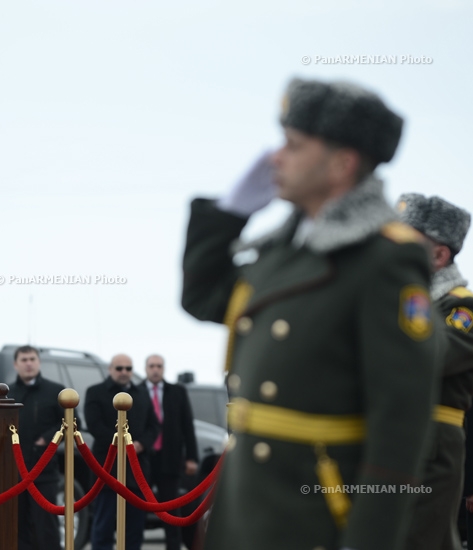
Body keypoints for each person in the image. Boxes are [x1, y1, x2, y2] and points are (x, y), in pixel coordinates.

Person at [181, 78, 439, 550]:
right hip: (248, 508)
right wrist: (227, 214)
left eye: (294, 146)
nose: (276, 157)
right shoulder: (284, 249)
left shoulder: (385, 259)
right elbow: (202, 298)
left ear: (342, 164)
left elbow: (400, 425)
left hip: (315, 517)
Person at [397, 194, 473, 550]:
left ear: (439, 255)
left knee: (420, 540)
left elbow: (434, 355)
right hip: (397, 436)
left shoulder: (461, 306)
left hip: (433, 444)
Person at [84, 354, 159, 550]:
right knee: (104, 525)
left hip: (137, 469)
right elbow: (94, 425)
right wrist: (121, 444)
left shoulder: (142, 393)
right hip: (107, 469)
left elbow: (154, 426)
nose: (124, 372)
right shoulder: (95, 392)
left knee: (135, 527)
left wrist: (141, 444)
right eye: (119, 368)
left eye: (128, 368)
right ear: (110, 369)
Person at [7, 345, 66, 550]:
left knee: (46, 527)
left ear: (39, 362)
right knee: (18, 527)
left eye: (32, 359)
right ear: (16, 364)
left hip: (44, 472)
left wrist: (47, 439)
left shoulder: (56, 391)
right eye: (24, 360)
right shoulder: (8, 393)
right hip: (14, 472)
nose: (28, 363)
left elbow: (69, 423)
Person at [143, 354, 199, 550]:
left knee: (171, 510)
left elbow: (187, 425)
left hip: (170, 458)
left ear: (164, 368)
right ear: (146, 368)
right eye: (151, 366)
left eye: (159, 366)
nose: (155, 369)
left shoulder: (177, 391)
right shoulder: (136, 391)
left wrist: (192, 457)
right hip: (143, 459)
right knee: (137, 508)